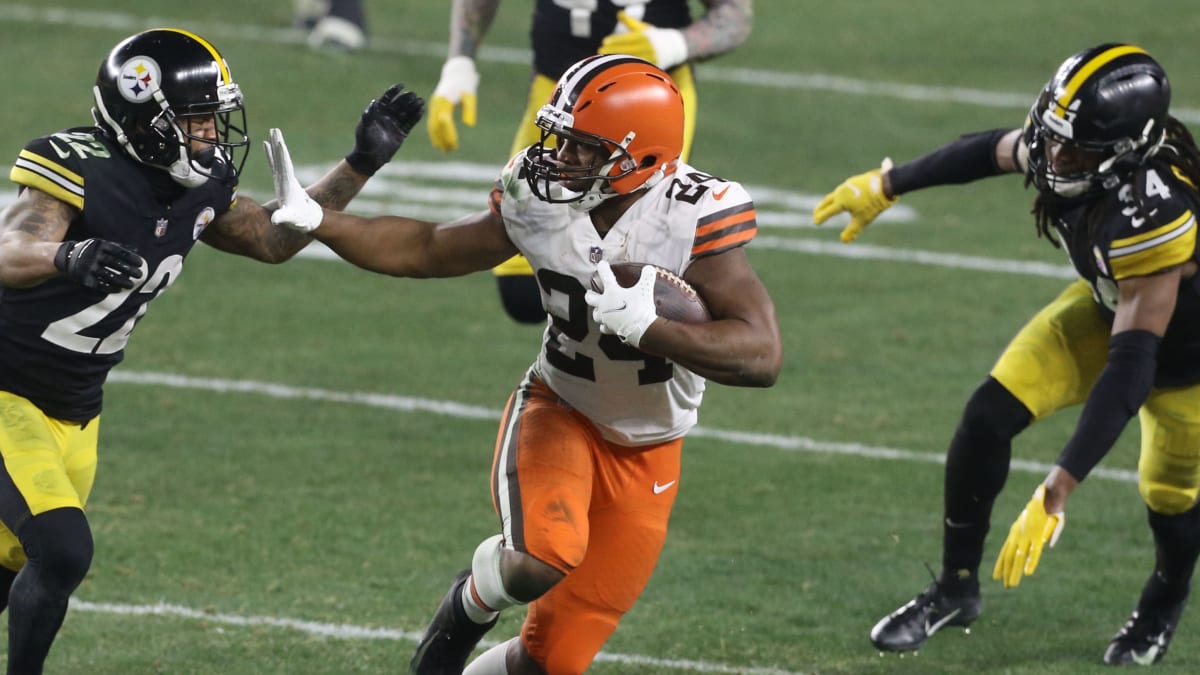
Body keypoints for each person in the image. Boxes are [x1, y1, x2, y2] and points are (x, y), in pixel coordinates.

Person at [267, 54, 782, 675]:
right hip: (560, 406)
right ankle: (470, 601)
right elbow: (430, 248)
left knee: (551, 662)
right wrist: (323, 221)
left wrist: (654, 329)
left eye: (584, 148)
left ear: (642, 156)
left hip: (653, 446)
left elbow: (761, 355)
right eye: (559, 136)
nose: (559, 156)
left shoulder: (691, 216)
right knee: (542, 558)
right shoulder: (538, 197)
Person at [0, 28, 422, 673]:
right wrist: (69, 253)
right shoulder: (74, 164)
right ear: (143, 118)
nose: (211, 134)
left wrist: (358, 164)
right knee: (59, 551)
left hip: (75, 410)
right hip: (9, 391)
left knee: (10, 565)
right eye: (196, 119)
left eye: (212, 120)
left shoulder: (201, 182)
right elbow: (10, 250)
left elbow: (274, 241)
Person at [813, 43, 1200, 665]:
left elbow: (1133, 366)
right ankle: (954, 590)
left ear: (1125, 151)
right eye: (1052, 136)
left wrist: (1058, 486)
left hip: (1185, 365)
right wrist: (889, 184)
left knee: (1169, 498)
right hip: (1109, 309)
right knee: (987, 416)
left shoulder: (1155, 212)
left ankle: (1163, 602)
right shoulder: (1070, 146)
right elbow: (989, 149)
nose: (1053, 155)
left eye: (1073, 149)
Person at [427, 0, 754, 325]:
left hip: (645, 110)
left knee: (640, 288)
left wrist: (674, 44)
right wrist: (460, 63)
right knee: (521, 290)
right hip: (558, 97)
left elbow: (734, 14)